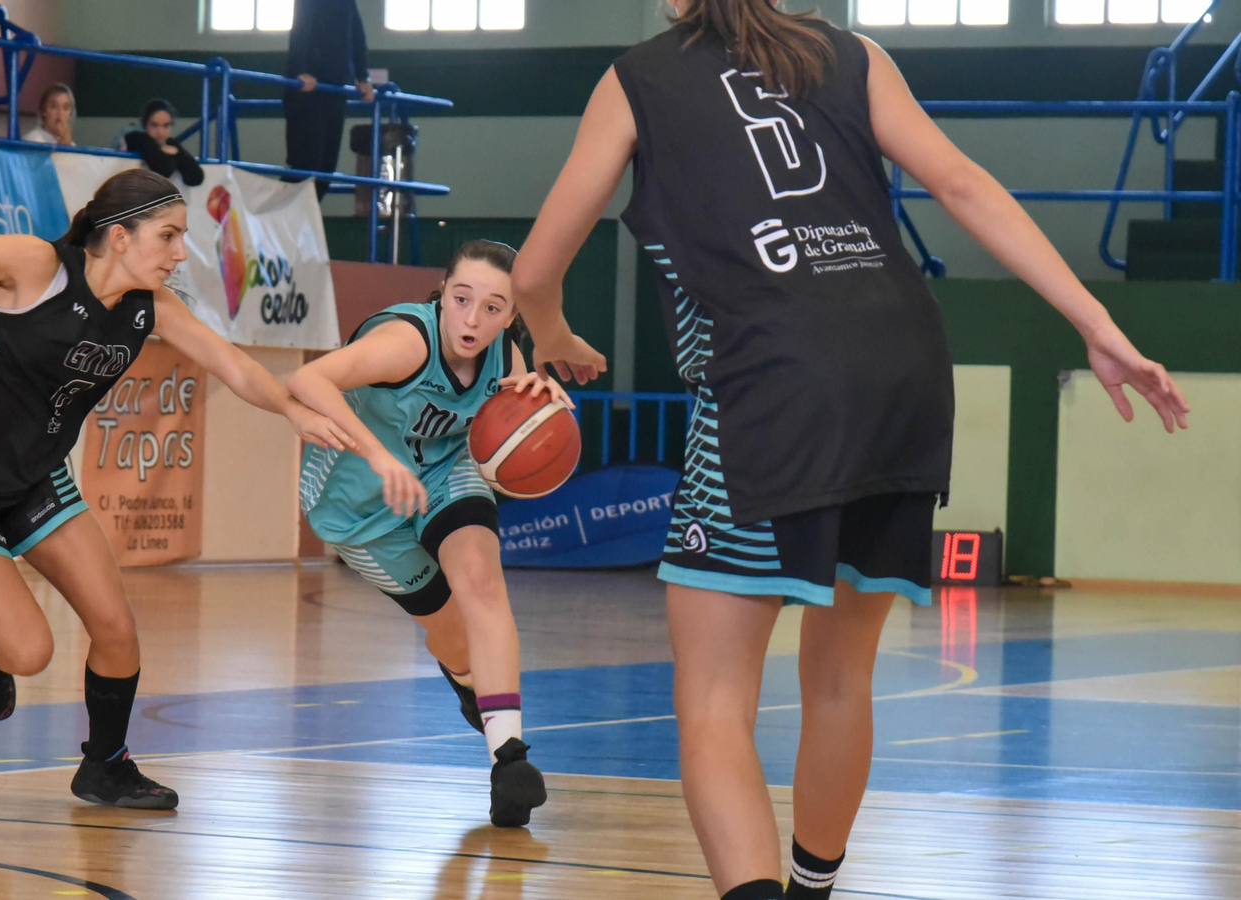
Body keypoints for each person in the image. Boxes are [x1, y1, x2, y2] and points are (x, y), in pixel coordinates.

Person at [510, 2, 1190, 898]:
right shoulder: (854, 53)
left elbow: (529, 273)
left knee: (714, 700)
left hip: (772, 381)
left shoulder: (637, 78)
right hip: (904, 369)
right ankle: (811, 888)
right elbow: (964, 184)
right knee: (840, 676)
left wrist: (551, 333)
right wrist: (1097, 326)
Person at [0, 169, 350, 810]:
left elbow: (235, 365)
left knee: (116, 627)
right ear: (120, 236)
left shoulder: (150, 309)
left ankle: (105, 766)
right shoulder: (36, 265)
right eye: (169, 236)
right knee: (29, 650)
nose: (181, 252)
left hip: (34, 475)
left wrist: (293, 411)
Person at [287, 240, 568, 828]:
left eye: (493, 307)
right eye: (462, 299)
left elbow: (527, 411)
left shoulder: (504, 356)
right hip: (359, 507)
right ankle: (473, 687)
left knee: (483, 586)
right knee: (455, 641)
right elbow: (307, 380)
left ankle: (510, 761)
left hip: (443, 470)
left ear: (512, 315)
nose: (473, 318)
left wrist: (544, 404)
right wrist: (377, 456)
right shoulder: (405, 344)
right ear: (442, 293)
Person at [284, 0, 375, 199]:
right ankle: (274, 222)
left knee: (325, 170)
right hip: (310, 90)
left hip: (335, 88)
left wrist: (362, 77)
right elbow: (301, 28)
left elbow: (356, 34)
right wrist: (300, 71)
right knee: (306, 166)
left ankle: (299, 224)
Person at [121, 99, 204, 186]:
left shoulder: (171, 143)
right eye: (154, 125)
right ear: (144, 124)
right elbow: (164, 170)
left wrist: (179, 154)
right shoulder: (136, 138)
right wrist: (170, 153)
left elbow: (196, 178)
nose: (160, 132)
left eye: (166, 126)